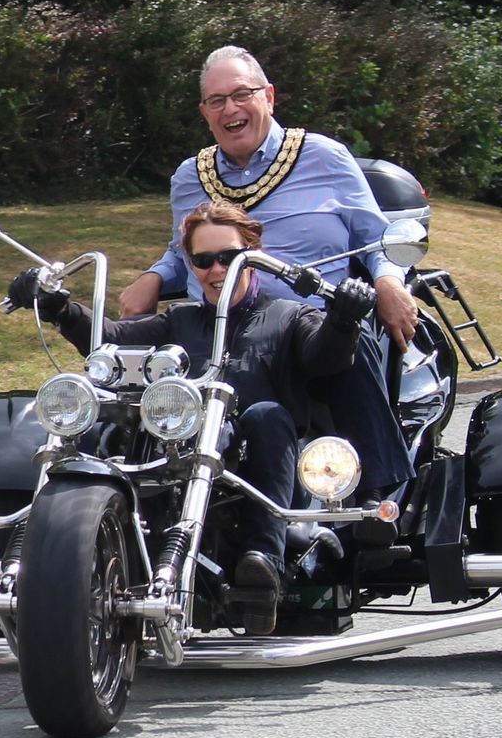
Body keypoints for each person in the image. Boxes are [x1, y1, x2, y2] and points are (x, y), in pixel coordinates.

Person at [6, 200, 377, 634]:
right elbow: (110, 339)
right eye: (204, 260)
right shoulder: (178, 321)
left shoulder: (289, 316)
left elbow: (325, 359)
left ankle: (263, 565)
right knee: (96, 419)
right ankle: (49, 554)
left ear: (252, 254)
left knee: (267, 414)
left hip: (258, 476)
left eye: (229, 257)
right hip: (175, 456)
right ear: (191, 265)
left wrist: (345, 320)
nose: (217, 269)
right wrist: (59, 308)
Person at [118, 45, 418, 500]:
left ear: (269, 97)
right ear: (204, 112)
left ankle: (379, 498)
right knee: (135, 370)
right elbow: (186, 253)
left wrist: (389, 281)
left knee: (353, 351)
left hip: (314, 325)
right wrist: (154, 276)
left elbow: (377, 239)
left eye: (241, 94)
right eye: (216, 101)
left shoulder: (324, 156)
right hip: (226, 330)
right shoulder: (189, 176)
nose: (230, 109)